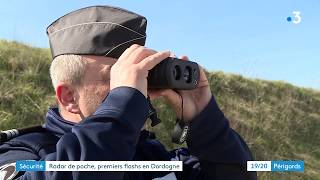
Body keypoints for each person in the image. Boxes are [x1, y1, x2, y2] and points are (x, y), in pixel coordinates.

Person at [0, 5, 257, 180]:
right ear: (69, 96)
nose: (136, 86)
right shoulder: (25, 153)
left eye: (136, 73)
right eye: (117, 76)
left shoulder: (151, 155)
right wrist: (122, 107)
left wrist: (204, 119)